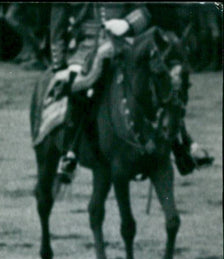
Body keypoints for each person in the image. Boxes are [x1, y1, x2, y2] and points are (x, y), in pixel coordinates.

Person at [50, 3, 212, 183]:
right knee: (78, 87)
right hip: (85, 48)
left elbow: (143, 11)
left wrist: (127, 24)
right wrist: (59, 65)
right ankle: (70, 152)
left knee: (161, 80)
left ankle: (182, 144)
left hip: (125, 42)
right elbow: (57, 25)